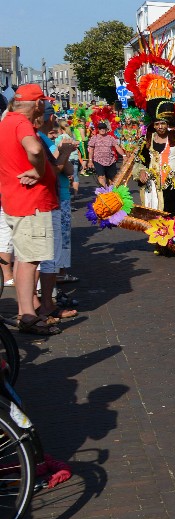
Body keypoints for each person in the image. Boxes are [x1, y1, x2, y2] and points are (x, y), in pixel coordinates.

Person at [0, 84, 66, 335]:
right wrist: (39, 172)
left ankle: (24, 310)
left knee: (22, 258)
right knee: (29, 260)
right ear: (38, 104)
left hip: (16, 200)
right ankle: (27, 315)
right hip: (31, 202)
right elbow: (35, 149)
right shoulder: (20, 124)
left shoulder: (6, 121)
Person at [37, 103, 77, 321]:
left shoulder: (45, 139)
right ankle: (46, 302)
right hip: (51, 198)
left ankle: (47, 299)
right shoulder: (40, 139)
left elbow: (66, 169)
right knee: (49, 254)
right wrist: (65, 152)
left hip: (56, 197)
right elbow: (58, 169)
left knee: (54, 251)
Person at [134, 100, 175, 213]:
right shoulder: (147, 140)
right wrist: (141, 171)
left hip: (173, 186)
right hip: (152, 187)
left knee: (172, 218)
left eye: (163, 123)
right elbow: (140, 161)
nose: (160, 127)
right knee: (154, 220)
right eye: (157, 124)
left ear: (167, 124)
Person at [86, 121, 124, 188]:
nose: (102, 130)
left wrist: (124, 155)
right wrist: (90, 161)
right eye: (100, 128)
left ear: (106, 129)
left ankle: (112, 192)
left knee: (113, 179)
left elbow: (117, 147)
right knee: (101, 176)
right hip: (98, 160)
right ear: (98, 129)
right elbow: (91, 150)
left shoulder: (110, 138)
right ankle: (104, 192)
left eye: (104, 128)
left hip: (110, 161)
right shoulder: (94, 138)